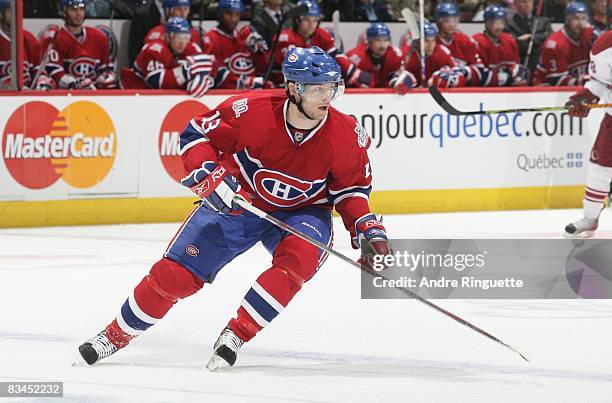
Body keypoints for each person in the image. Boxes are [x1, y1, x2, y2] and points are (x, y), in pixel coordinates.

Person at [76, 46, 390, 371]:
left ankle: (236, 334)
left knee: (300, 258)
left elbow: (351, 191)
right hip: (239, 199)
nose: (327, 97)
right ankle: (114, 335)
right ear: (294, 89)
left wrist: (366, 229)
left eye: (332, 87)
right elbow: (196, 134)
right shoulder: (250, 111)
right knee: (176, 275)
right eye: (317, 89)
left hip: (304, 210)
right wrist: (210, 175)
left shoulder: (346, 135)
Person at [564, 30, 611, 238]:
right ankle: (590, 218)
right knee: (599, 166)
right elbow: (599, 81)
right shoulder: (605, 46)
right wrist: (586, 96)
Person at [122, 16, 214, 97]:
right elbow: (154, 81)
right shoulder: (155, 49)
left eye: (186, 37)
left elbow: (205, 66)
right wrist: (185, 72)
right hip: (131, 92)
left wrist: (204, 79)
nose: (182, 42)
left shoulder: (190, 47)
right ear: (167, 36)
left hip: (154, 97)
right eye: (177, 37)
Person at [274, 0, 355, 87]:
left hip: (315, 82)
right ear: (297, 20)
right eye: (306, 20)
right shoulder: (285, 37)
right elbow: (292, 68)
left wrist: (355, 73)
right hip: (285, 83)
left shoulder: (322, 35)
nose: (311, 24)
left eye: (315, 20)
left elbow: (336, 57)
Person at [40, 0, 116, 90]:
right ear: (64, 12)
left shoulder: (99, 37)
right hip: (66, 96)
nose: (78, 13)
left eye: (81, 9)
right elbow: (54, 73)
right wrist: (75, 84)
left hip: (95, 95)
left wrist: (106, 78)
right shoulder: (55, 38)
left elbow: (107, 69)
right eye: (73, 9)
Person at [202, 0, 268, 89]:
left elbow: (262, 70)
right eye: (229, 14)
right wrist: (248, 82)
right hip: (225, 94)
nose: (233, 19)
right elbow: (216, 74)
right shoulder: (210, 39)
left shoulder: (244, 37)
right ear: (220, 14)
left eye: (237, 15)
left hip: (251, 92)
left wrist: (258, 52)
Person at [532, 2, 595, 86]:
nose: (580, 23)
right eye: (576, 18)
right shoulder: (556, 44)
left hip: (575, 86)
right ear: (567, 20)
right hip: (546, 88)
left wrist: (593, 39)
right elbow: (556, 80)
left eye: (583, 19)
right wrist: (582, 81)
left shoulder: (588, 38)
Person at [346, 23, 412, 93]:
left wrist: (402, 80)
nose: (382, 44)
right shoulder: (356, 56)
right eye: (377, 40)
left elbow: (405, 77)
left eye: (385, 40)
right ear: (369, 41)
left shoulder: (395, 55)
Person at [472, 5, 527, 86]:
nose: (499, 27)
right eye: (495, 22)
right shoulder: (476, 42)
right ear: (486, 23)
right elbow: (478, 76)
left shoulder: (510, 41)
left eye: (502, 22)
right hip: (484, 90)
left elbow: (515, 67)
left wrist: (518, 75)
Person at [0, 0, 50, 89]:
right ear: (1, 14)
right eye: (10, 11)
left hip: (27, 96)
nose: (16, 15)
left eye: (18, 10)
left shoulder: (29, 38)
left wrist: (41, 81)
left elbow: (38, 67)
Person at [434, 2, 485, 86]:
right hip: (439, 88)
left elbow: (479, 70)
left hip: (463, 89)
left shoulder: (465, 41)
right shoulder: (431, 42)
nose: (452, 24)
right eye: (447, 21)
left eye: (455, 20)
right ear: (439, 22)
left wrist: (465, 71)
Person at [401, 21, 456, 87]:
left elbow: (455, 74)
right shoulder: (407, 54)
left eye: (433, 40)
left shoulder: (442, 53)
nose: (430, 45)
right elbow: (398, 77)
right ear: (417, 42)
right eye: (426, 41)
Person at [505, 0, 553, 74]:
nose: (527, 5)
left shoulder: (543, 22)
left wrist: (531, 37)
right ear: (515, 3)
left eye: (530, 2)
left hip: (541, 65)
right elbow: (514, 43)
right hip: (519, 64)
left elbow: (550, 38)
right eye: (523, 2)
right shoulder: (508, 24)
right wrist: (538, 42)